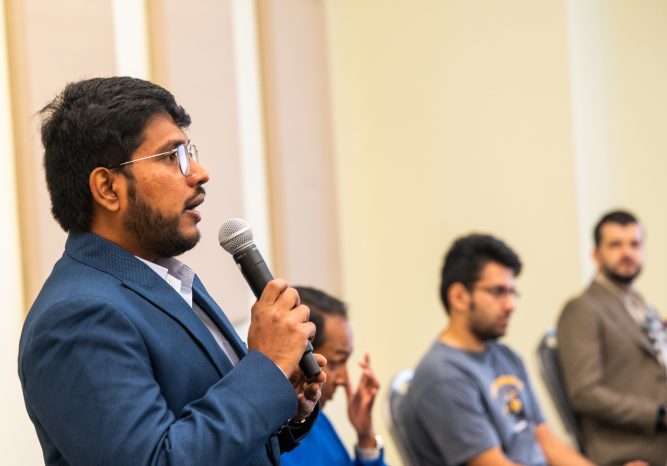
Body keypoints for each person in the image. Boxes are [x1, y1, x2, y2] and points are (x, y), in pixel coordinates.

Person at [18, 76, 326, 466]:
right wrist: (265, 368)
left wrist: (284, 400)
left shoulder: (170, 282)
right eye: (172, 156)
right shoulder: (77, 316)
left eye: (190, 152)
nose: (199, 172)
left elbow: (211, 438)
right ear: (108, 188)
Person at [398, 234, 595, 466]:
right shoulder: (442, 376)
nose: (511, 305)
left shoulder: (506, 357)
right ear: (459, 297)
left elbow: (547, 441)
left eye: (512, 292)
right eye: (498, 292)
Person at [557, 210, 667, 466]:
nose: (627, 253)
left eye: (634, 244)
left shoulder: (640, 304)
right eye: (615, 244)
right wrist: (663, 415)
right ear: (596, 254)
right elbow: (585, 394)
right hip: (631, 446)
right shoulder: (582, 309)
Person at [281, 286, 386, 466]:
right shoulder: (276, 439)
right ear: (301, 357)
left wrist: (365, 435)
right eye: (337, 362)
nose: (344, 379)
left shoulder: (313, 417)